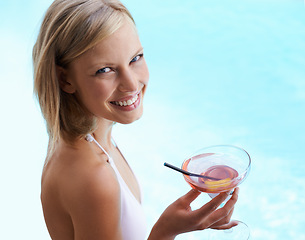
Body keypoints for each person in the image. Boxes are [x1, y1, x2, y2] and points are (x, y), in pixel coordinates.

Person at [33, 0, 239, 239]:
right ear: (65, 80)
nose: (131, 84)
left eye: (135, 58)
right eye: (105, 70)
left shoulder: (91, 140)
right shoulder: (94, 178)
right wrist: (166, 231)